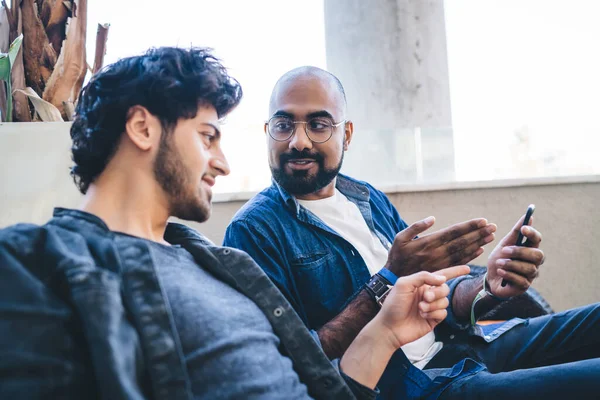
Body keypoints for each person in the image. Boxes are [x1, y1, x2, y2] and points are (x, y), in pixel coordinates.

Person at [0, 48, 469, 400]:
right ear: (142, 128)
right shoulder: (31, 260)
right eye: (207, 137)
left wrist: (385, 330)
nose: (222, 164)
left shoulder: (220, 266)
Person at [223, 66, 600, 399]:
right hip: (413, 385)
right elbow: (286, 361)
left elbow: (434, 295)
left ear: (347, 135)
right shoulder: (254, 230)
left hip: (468, 346)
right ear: (268, 131)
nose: (298, 140)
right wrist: (386, 281)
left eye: (318, 125)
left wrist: (487, 286)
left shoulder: (366, 198)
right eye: (284, 124)